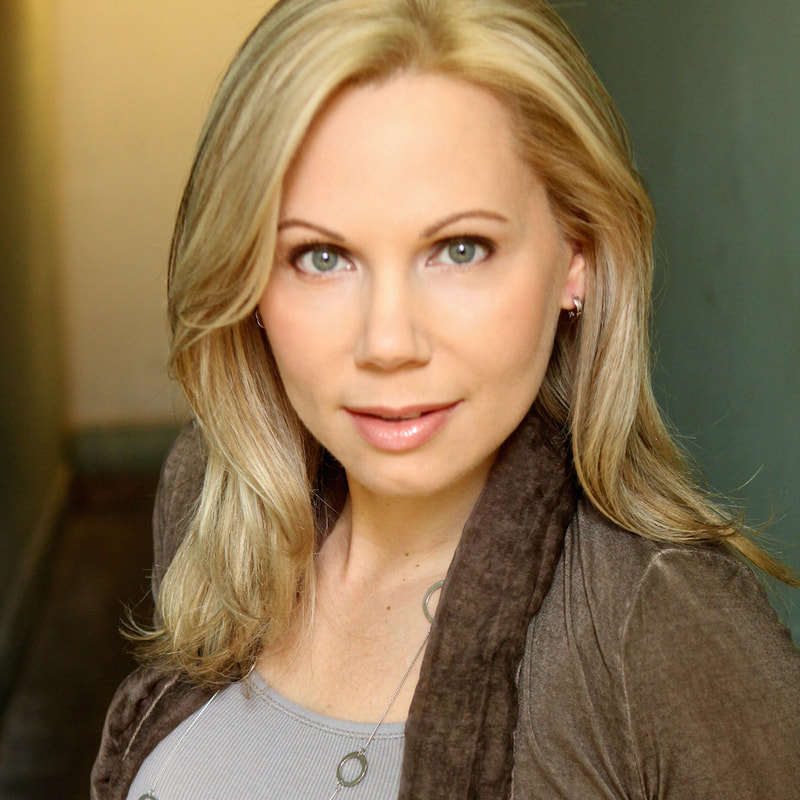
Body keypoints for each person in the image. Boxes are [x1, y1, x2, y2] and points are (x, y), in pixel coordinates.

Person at [92, 0, 800, 798]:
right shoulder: (215, 501)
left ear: (578, 256)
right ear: (248, 280)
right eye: (321, 256)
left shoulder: (661, 624)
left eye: (460, 249)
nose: (389, 342)